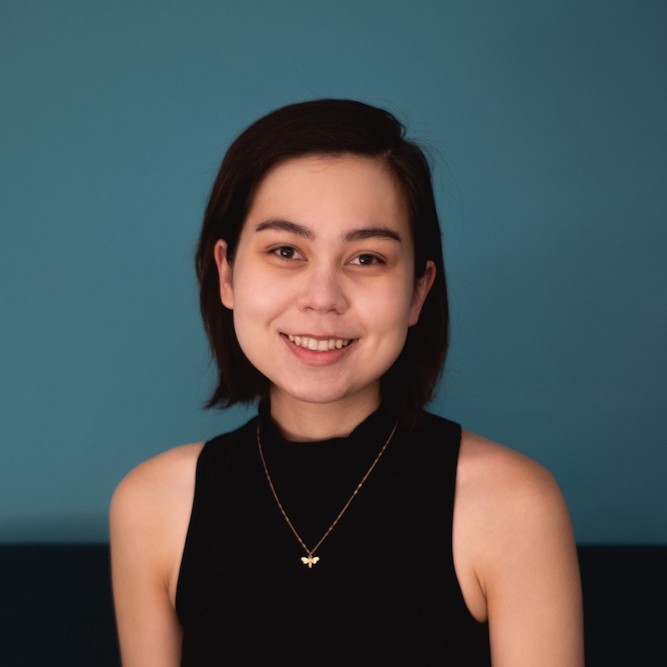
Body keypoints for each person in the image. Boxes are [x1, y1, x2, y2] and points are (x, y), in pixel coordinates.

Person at [110, 99, 584, 666]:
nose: (323, 298)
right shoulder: (153, 505)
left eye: (366, 258)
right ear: (228, 272)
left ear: (418, 291)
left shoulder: (512, 506)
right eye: (286, 251)